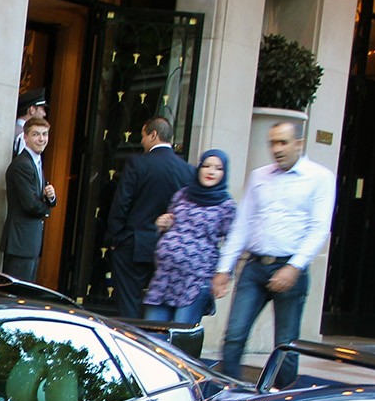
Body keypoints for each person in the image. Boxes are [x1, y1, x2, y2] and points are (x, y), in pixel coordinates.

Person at [213, 120, 336, 385]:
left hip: (290, 267)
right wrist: (224, 268)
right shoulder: (259, 176)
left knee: (286, 345)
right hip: (255, 267)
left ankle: (282, 400)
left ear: (298, 144)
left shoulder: (320, 177)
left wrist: (294, 267)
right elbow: (243, 224)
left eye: (283, 142)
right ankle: (225, 394)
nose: (277, 149)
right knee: (234, 335)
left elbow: (319, 229)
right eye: (272, 143)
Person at [105, 116, 196, 319]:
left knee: (129, 304)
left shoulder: (137, 163)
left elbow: (122, 203)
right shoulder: (188, 170)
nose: (142, 141)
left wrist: (114, 239)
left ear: (153, 135)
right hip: (170, 247)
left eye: (144, 136)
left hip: (133, 244)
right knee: (160, 305)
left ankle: (130, 342)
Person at [144, 148, 236, 324]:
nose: (211, 171)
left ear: (224, 173)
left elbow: (233, 243)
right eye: (206, 166)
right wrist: (162, 224)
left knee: (180, 339)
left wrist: (224, 275)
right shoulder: (182, 195)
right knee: (151, 337)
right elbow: (170, 224)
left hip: (195, 281)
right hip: (165, 278)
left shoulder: (227, 206)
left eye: (218, 168)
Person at [0, 115, 56, 282]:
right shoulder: (22, 164)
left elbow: (40, 197)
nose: (41, 139)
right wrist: (47, 208)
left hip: (28, 243)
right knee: (15, 296)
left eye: (45, 134)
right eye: (36, 134)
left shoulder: (36, 162)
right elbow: (31, 204)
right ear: (25, 137)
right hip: (20, 243)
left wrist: (51, 198)